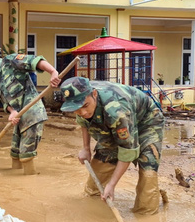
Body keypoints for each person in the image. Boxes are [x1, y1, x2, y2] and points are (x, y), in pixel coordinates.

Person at [59, 77, 164, 214]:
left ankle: (146, 214)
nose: (83, 112)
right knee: (95, 181)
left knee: (148, 170)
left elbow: (127, 150)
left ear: (94, 94)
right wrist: (85, 148)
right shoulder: (81, 100)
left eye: (85, 106)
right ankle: (95, 208)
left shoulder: (117, 111)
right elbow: (83, 121)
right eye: (77, 109)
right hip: (113, 120)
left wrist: (112, 185)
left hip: (147, 121)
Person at [0, 43, 59, 175]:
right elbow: (6, 103)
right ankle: (13, 180)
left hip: (32, 114)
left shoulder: (11, 61)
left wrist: (53, 72)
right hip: (19, 117)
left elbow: (36, 61)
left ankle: (29, 181)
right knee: (15, 153)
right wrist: (12, 112)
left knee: (26, 154)